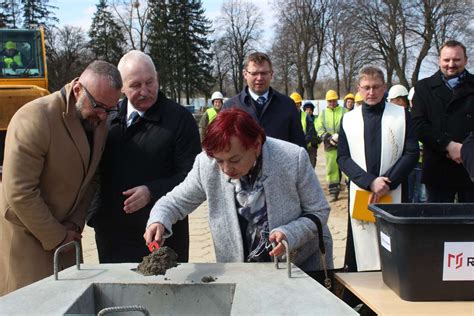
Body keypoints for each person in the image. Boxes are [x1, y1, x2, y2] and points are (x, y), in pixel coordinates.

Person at [144, 109, 333, 274]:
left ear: (256, 146)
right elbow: (174, 202)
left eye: (235, 160)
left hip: (299, 267)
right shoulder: (206, 164)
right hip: (240, 271)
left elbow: (319, 211)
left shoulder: (293, 158)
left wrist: (290, 233)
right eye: (219, 161)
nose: (226, 168)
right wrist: (159, 220)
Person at [0, 61, 123, 295]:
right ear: (78, 89)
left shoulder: (98, 122)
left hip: (66, 237)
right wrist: (58, 236)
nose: (103, 115)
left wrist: (75, 224)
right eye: (98, 106)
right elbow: (19, 191)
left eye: (110, 109)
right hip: (27, 239)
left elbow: (92, 179)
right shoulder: (35, 118)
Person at [87, 51, 201, 264]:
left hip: (162, 232)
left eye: (150, 82)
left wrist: (152, 191)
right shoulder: (106, 117)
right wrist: (94, 213)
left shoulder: (179, 120)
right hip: (112, 233)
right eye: (136, 85)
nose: (145, 91)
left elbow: (193, 177)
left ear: (157, 78)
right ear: (121, 87)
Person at [337, 66, 419, 272]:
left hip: (394, 189)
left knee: (394, 242)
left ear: (384, 88)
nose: (371, 92)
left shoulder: (401, 115)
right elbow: (343, 158)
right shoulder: (348, 119)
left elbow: (411, 152)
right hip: (362, 190)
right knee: (361, 246)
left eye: (376, 87)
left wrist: (386, 182)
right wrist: (370, 181)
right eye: (366, 88)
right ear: (358, 89)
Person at [411, 40, 474, 202]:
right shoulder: (423, 88)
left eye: (457, 60)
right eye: (446, 60)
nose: (451, 64)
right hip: (438, 168)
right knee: (437, 224)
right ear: (439, 60)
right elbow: (418, 124)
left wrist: (466, 149)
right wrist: (448, 145)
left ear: (466, 60)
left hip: (471, 167)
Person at [223, 52, 306, 147]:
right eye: (254, 73)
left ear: (271, 74)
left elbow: (299, 145)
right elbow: (223, 146)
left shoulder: (287, 105)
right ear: (245, 74)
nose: (259, 78)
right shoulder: (230, 107)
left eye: (264, 73)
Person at [315, 89, 347, 201]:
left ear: (337, 100)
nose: (332, 103)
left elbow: (349, 125)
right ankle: (334, 192)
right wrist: (328, 137)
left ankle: (350, 188)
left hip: (344, 145)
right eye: (330, 101)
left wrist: (340, 136)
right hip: (329, 145)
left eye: (334, 101)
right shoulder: (323, 114)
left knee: (347, 167)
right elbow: (318, 127)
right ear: (326, 102)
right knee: (332, 169)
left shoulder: (344, 111)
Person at [290, 92, 319, 167]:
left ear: (300, 104)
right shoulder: (287, 117)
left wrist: (301, 142)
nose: (296, 107)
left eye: (297, 105)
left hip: (307, 148)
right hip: (292, 149)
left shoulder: (306, 116)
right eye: (294, 105)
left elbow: (311, 133)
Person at [303, 102, 321, 168]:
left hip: (313, 146)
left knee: (312, 165)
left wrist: (317, 141)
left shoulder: (316, 120)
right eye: (306, 110)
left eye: (310, 110)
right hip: (304, 146)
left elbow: (319, 131)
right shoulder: (302, 119)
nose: (308, 111)